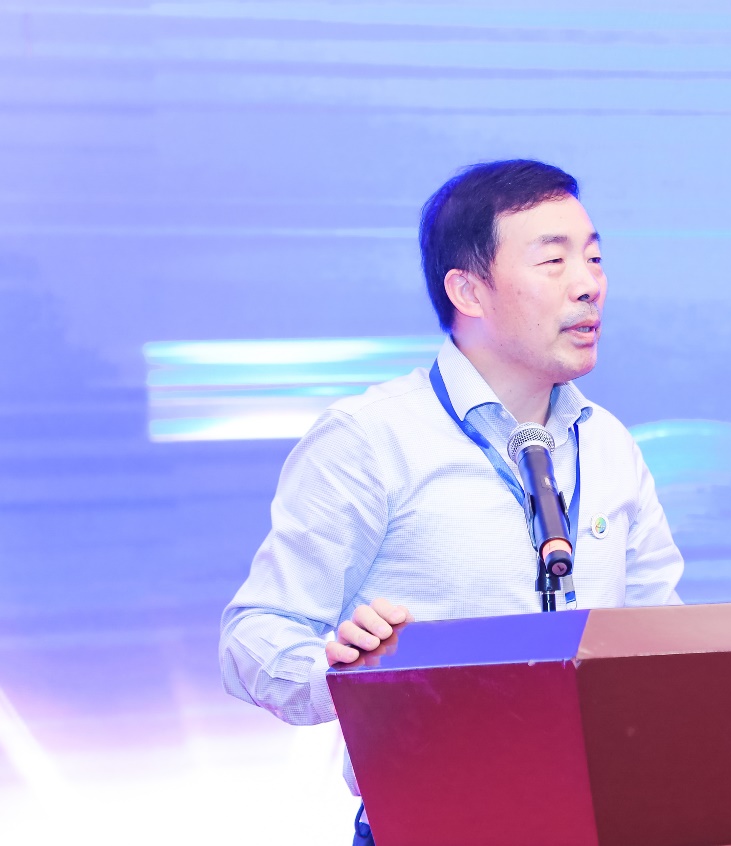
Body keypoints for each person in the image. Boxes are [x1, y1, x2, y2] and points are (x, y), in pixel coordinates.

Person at [218, 160, 686, 845]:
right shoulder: (370, 439)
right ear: (467, 290)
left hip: (602, 821)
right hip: (431, 823)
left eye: (593, 258)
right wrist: (343, 674)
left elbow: (660, 639)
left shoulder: (608, 442)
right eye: (553, 261)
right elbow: (253, 634)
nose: (588, 285)